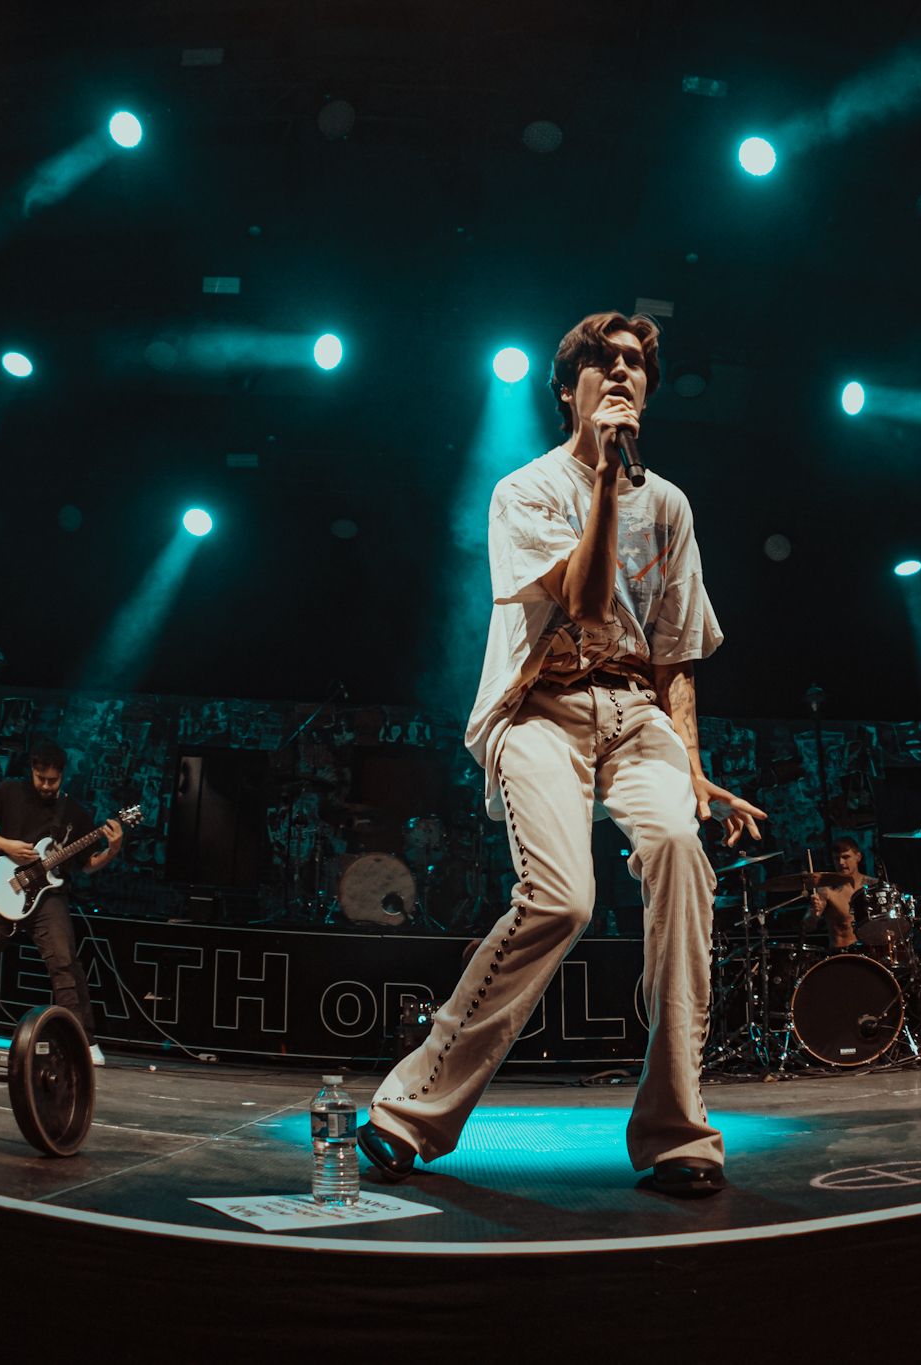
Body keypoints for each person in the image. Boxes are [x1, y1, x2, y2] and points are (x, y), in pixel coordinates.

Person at [358, 310, 766, 1198]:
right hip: (538, 708)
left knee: (680, 855)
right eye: (603, 362)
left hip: (634, 711)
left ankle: (677, 1129)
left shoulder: (672, 506)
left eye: (636, 364)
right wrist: (609, 483)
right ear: (568, 389)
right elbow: (581, 603)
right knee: (562, 898)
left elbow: (675, 656)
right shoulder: (526, 490)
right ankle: (410, 1107)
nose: (623, 373)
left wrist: (693, 768)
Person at [0, 742, 123, 1066]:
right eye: (41, 778)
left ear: (62, 776)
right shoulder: (9, 792)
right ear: (32, 770)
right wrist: (7, 846)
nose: (46, 785)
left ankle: (83, 1041)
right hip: (7, 886)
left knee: (64, 963)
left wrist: (111, 851)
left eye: (52, 780)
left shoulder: (74, 813)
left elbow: (87, 865)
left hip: (50, 897)